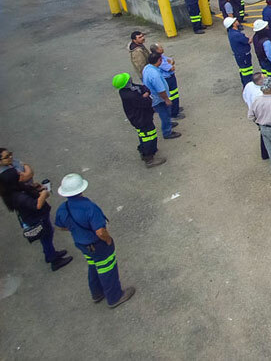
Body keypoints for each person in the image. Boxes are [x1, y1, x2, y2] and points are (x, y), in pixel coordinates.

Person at [54, 173, 135, 308]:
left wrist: (76, 230)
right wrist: (108, 240)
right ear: (81, 189)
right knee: (107, 269)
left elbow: (60, 226)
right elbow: (100, 231)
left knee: (93, 265)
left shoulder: (63, 208)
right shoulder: (89, 207)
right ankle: (115, 297)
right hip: (97, 244)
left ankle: (97, 293)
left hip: (81, 244)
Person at [1, 167, 72, 272]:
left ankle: (50, 254)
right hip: (37, 218)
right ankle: (54, 260)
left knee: (46, 236)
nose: (21, 173)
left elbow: (29, 191)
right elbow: (37, 205)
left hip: (36, 217)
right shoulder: (18, 197)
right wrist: (43, 193)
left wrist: (36, 188)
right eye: (18, 174)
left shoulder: (16, 189)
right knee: (46, 236)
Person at [112, 73, 166, 168]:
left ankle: (144, 150)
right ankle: (149, 158)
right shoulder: (130, 95)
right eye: (129, 79)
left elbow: (144, 88)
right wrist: (147, 96)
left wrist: (146, 94)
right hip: (141, 119)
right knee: (149, 136)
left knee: (144, 135)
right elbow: (146, 102)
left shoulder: (128, 90)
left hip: (140, 118)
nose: (131, 79)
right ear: (126, 83)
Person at [141, 52, 180, 140]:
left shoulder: (147, 68)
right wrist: (166, 99)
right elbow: (160, 90)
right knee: (165, 114)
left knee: (166, 113)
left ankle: (169, 124)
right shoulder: (155, 75)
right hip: (159, 99)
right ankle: (167, 132)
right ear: (159, 60)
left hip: (155, 97)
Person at [242, 72, 270, 161]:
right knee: (266, 133)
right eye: (264, 78)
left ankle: (266, 152)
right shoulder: (260, 94)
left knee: (264, 132)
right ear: (259, 82)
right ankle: (266, 153)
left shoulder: (249, 85)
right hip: (261, 116)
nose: (266, 78)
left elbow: (245, 97)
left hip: (254, 113)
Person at [149, 43, 182, 118]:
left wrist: (171, 63)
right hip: (168, 79)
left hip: (170, 77)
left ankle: (175, 108)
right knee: (172, 95)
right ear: (157, 50)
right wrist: (171, 64)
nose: (162, 48)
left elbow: (172, 61)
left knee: (174, 95)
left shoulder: (161, 57)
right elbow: (172, 68)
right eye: (160, 47)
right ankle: (174, 113)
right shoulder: (159, 60)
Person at [225, 16, 254, 86]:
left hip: (239, 55)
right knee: (247, 73)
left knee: (243, 71)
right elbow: (248, 41)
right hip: (244, 56)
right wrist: (255, 33)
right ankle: (248, 87)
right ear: (233, 24)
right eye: (235, 21)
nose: (237, 21)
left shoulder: (232, 32)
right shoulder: (236, 34)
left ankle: (245, 86)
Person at [252, 19, 271, 88]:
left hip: (261, 61)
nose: (268, 27)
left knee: (265, 79)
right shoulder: (266, 42)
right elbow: (270, 55)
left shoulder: (255, 37)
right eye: (266, 27)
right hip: (268, 63)